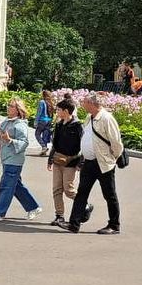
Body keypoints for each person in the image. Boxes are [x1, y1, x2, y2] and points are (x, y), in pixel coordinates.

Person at [56, 93, 123, 235]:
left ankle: (114, 225)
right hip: (89, 162)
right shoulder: (89, 117)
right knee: (82, 194)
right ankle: (74, 224)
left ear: (93, 104)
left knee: (109, 195)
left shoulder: (106, 118)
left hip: (104, 163)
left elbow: (116, 143)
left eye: (85, 102)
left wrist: (112, 158)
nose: (82, 104)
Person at [0, 98, 42, 223]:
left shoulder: (20, 125)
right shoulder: (7, 121)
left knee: (6, 186)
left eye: (11, 106)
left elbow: (24, 143)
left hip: (14, 160)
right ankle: (33, 207)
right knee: (16, 186)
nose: (8, 107)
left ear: (18, 110)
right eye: (8, 105)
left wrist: (10, 140)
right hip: (6, 158)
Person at [47, 94, 83, 226]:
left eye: (58, 110)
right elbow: (55, 144)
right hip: (58, 160)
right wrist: (50, 159)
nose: (57, 112)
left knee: (69, 190)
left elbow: (83, 145)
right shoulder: (59, 125)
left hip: (71, 162)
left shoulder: (78, 126)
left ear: (66, 111)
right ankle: (59, 216)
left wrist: (81, 163)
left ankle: (84, 205)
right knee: (57, 189)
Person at [34, 90, 55, 156]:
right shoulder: (50, 102)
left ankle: (43, 147)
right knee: (45, 136)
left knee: (37, 134)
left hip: (42, 120)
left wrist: (36, 121)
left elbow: (39, 112)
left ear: (43, 95)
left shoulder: (42, 102)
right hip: (48, 120)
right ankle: (44, 151)